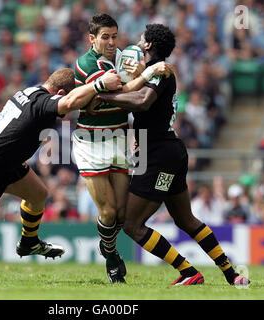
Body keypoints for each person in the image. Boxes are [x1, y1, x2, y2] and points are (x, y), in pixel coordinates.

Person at [92, 24, 250, 286]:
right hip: (166, 150)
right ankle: (230, 274)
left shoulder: (161, 72)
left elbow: (143, 102)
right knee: (185, 220)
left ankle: (188, 271)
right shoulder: (152, 73)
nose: (138, 41)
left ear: (148, 45)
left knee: (132, 224)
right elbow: (138, 95)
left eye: (142, 38)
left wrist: (105, 96)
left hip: (158, 155)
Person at [0, 67, 123, 279]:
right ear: (59, 94)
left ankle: (29, 243)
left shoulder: (30, 92)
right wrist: (98, 85)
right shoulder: (44, 102)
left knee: (38, 194)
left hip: (2, 161)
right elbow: (67, 103)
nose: (69, 110)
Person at [72, 13, 171, 283]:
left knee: (123, 214)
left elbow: (128, 89)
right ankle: (111, 255)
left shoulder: (122, 56)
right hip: (91, 144)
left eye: (114, 36)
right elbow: (124, 87)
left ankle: (106, 245)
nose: (111, 42)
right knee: (108, 212)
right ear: (92, 39)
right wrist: (151, 70)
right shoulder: (86, 64)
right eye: (105, 37)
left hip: (118, 138)